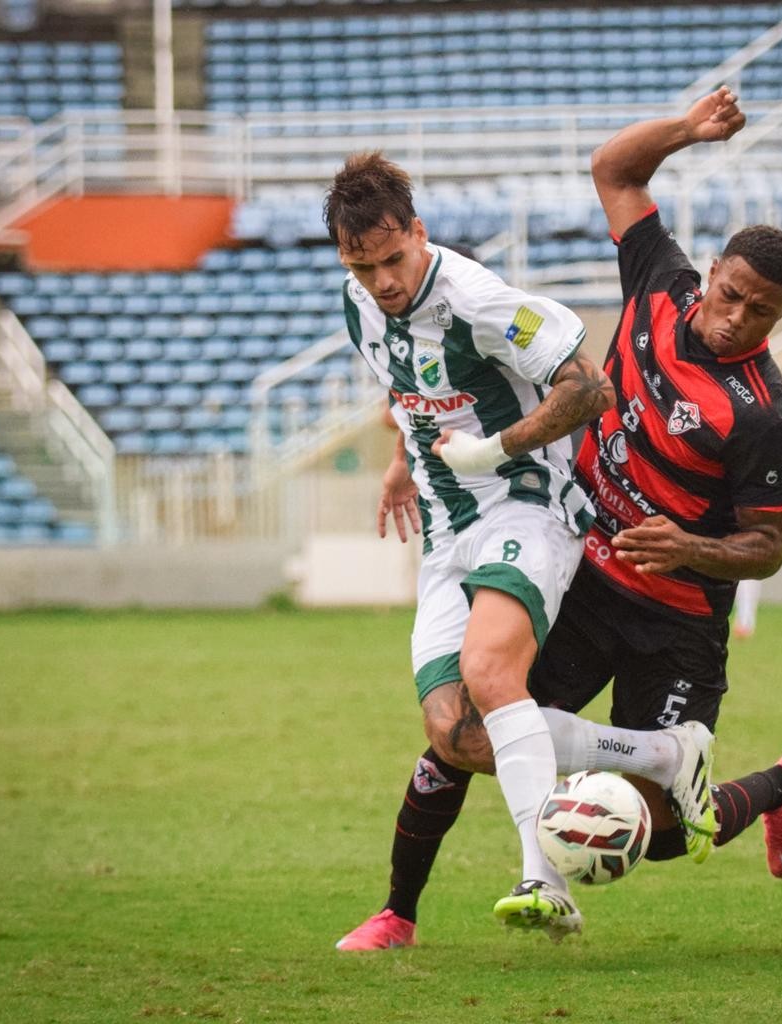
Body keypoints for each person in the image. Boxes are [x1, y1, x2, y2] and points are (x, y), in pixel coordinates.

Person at [337, 89, 782, 951]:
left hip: (678, 620)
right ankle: (397, 913)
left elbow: (767, 548)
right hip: (592, 572)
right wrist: (687, 129)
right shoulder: (661, 284)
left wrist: (690, 547)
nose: (735, 316)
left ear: (781, 317)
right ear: (711, 274)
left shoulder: (762, 416)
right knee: (470, 732)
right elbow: (615, 169)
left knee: (655, 836)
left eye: (760, 311)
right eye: (732, 293)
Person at [324, 151, 622, 942]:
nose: (384, 280)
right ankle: (652, 758)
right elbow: (407, 393)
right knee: (453, 733)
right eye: (364, 265)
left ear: (418, 232)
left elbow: (590, 389)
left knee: (492, 674)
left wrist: (495, 450)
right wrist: (398, 464)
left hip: (528, 506)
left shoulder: (477, 301)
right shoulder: (358, 304)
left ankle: (543, 879)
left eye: (394, 258)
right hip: (446, 526)